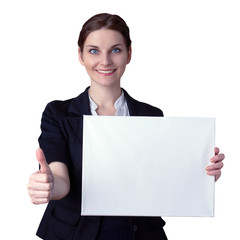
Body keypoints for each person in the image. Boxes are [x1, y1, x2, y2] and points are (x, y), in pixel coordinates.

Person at [27, 13, 225, 240]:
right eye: (94, 51)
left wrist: (201, 173)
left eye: (115, 50)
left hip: (138, 233)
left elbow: (160, 179)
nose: (105, 61)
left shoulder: (151, 115)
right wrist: (49, 185)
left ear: (129, 54)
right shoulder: (58, 114)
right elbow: (61, 179)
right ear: (80, 56)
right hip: (76, 233)